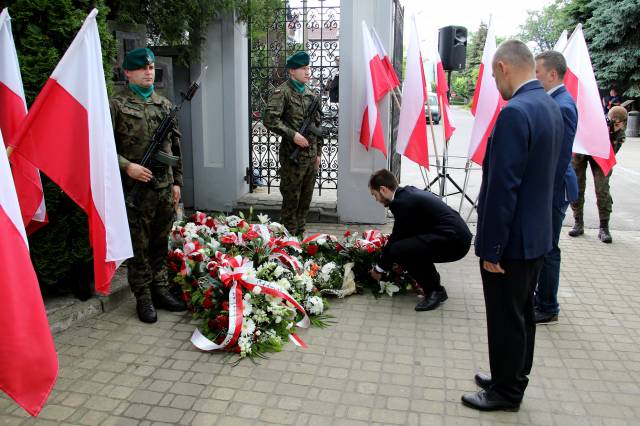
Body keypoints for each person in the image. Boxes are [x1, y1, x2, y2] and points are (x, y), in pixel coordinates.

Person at [462, 40, 563, 411]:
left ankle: (505, 393)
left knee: (506, 318)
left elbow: (504, 187)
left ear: (504, 67)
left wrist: (492, 248)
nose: (495, 82)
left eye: (492, 74)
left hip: (511, 243)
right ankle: (512, 376)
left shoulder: (515, 112)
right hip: (536, 236)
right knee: (522, 315)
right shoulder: (549, 105)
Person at [110, 47, 186, 323]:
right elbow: (102, 146)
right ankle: (143, 296)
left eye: (151, 67)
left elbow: (175, 147)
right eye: (142, 68)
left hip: (164, 189)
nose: (149, 71)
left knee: (160, 242)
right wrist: (127, 166)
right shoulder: (116, 106)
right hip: (135, 193)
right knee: (139, 246)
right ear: (128, 72)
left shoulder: (164, 105)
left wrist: (177, 183)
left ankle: (161, 289)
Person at [367, 169, 472, 311]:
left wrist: (378, 269)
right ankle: (432, 283)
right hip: (454, 235)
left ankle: (435, 291)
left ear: (383, 189)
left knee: (400, 250)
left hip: (455, 242)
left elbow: (396, 240)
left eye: (375, 195)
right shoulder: (406, 194)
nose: (376, 200)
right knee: (410, 246)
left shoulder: (402, 203)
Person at [533, 51, 579, 325]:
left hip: (554, 189)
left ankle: (548, 306)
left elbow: (559, 157)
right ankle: (543, 298)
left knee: (548, 249)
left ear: (552, 74)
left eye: (537, 73)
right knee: (546, 246)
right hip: (552, 187)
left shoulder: (562, 106)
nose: (534, 78)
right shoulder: (556, 101)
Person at [264, 51, 323, 236]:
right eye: (303, 68)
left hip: (311, 157)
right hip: (292, 159)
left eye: (308, 68)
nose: (308, 72)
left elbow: (317, 126)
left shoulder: (311, 95)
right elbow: (270, 119)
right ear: (292, 71)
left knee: (305, 202)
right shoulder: (282, 92)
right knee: (291, 202)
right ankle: (288, 243)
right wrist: (293, 135)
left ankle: (300, 237)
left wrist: (319, 153)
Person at [568, 106, 627, 243]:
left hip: (601, 154)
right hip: (582, 149)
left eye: (619, 124)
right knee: (577, 186)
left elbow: (611, 154)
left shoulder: (620, 134)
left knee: (602, 189)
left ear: (624, 123)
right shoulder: (597, 120)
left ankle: (604, 227)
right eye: (614, 123)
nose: (616, 126)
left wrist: (611, 134)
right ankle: (578, 222)